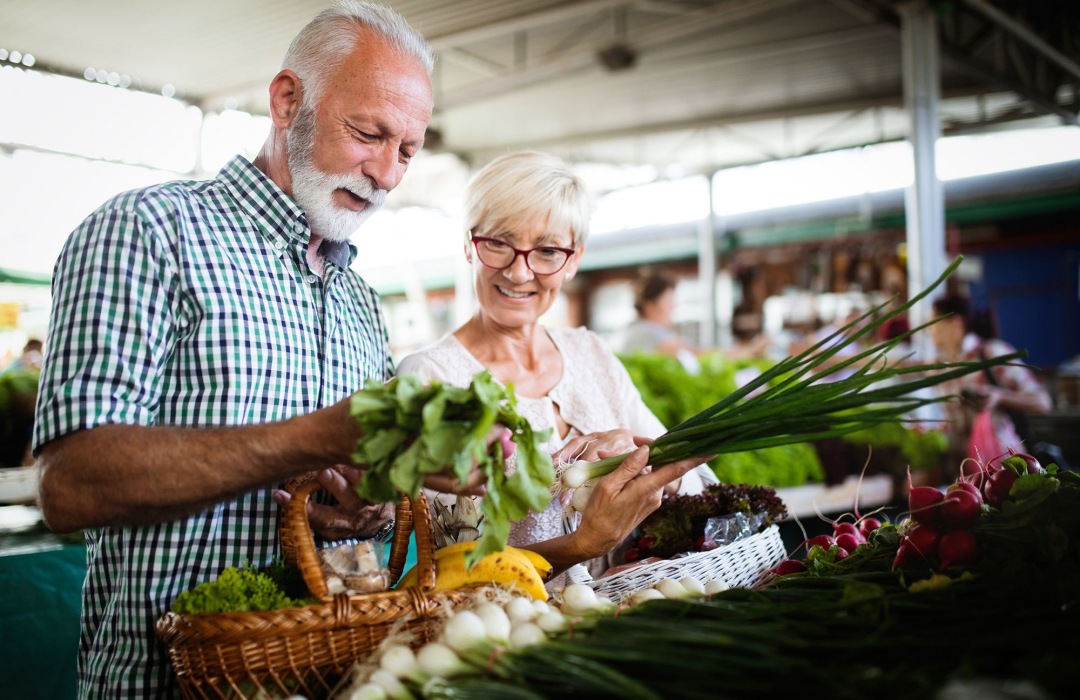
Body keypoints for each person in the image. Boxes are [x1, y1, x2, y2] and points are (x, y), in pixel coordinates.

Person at [31, 3, 489, 697]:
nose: (388, 175)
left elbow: (345, 529)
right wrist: (313, 438)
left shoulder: (360, 301)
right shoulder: (150, 231)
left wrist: (359, 512)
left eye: (407, 150)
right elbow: (70, 484)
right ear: (286, 100)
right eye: (368, 133)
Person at [397, 151, 716, 587]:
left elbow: (699, 482)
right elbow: (451, 570)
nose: (519, 271)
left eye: (547, 251)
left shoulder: (591, 354)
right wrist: (581, 547)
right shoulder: (431, 377)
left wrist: (643, 462)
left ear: (572, 261)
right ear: (469, 245)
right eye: (498, 243)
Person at [927, 294, 1051, 475]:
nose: (929, 330)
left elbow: (1043, 403)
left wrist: (1000, 396)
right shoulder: (939, 365)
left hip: (1006, 470)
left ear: (955, 323)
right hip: (965, 473)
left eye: (933, 323)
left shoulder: (992, 353)